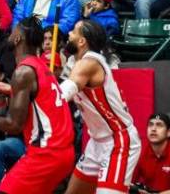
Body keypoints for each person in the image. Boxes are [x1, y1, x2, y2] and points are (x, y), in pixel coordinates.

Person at [0, 17, 76, 194]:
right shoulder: (42, 67)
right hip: (63, 153)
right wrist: (12, 94)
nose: (10, 33)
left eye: (14, 30)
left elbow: (14, 125)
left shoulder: (23, 71)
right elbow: (40, 99)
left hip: (46, 154)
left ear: (18, 39)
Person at [59, 20, 142, 194]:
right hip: (96, 142)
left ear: (82, 41)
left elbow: (64, 92)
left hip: (118, 140)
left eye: (73, 32)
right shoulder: (78, 62)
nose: (69, 34)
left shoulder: (90, 62)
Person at [132, 113, 170, 194]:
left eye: (159, 125)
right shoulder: (141, 152)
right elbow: (129, 182)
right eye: (150, 125)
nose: (153, 129)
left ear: (169, 132)